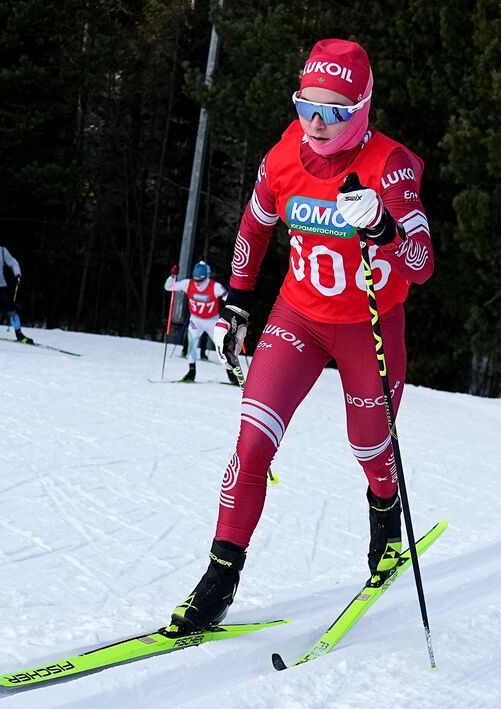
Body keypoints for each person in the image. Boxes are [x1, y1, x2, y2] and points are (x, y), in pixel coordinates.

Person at [163, 38, 435, 637]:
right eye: (306, 104)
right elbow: (255, 223)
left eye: (335, 110)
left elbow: (421, 263)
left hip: (369, 326)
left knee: (369, 448)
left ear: (362, 107)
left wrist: (386, 226)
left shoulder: (391, 166)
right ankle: (219, 577)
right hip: (298, 319)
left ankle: (386, 520)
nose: (316, 121)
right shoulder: (284, 155)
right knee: (251, 444)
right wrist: (237, 295)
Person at [164, 260, 238, 384]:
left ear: (206, 277)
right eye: (195, 279)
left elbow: (227, 298)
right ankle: (191, 372)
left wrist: (231, 302)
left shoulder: (215, 286)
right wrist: (172, 276)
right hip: (196, 320)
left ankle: (232, 375)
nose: (197, 283)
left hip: (212, 320)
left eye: (200, 280)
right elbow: (168, 287)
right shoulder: (188, 284)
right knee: (192, 344)